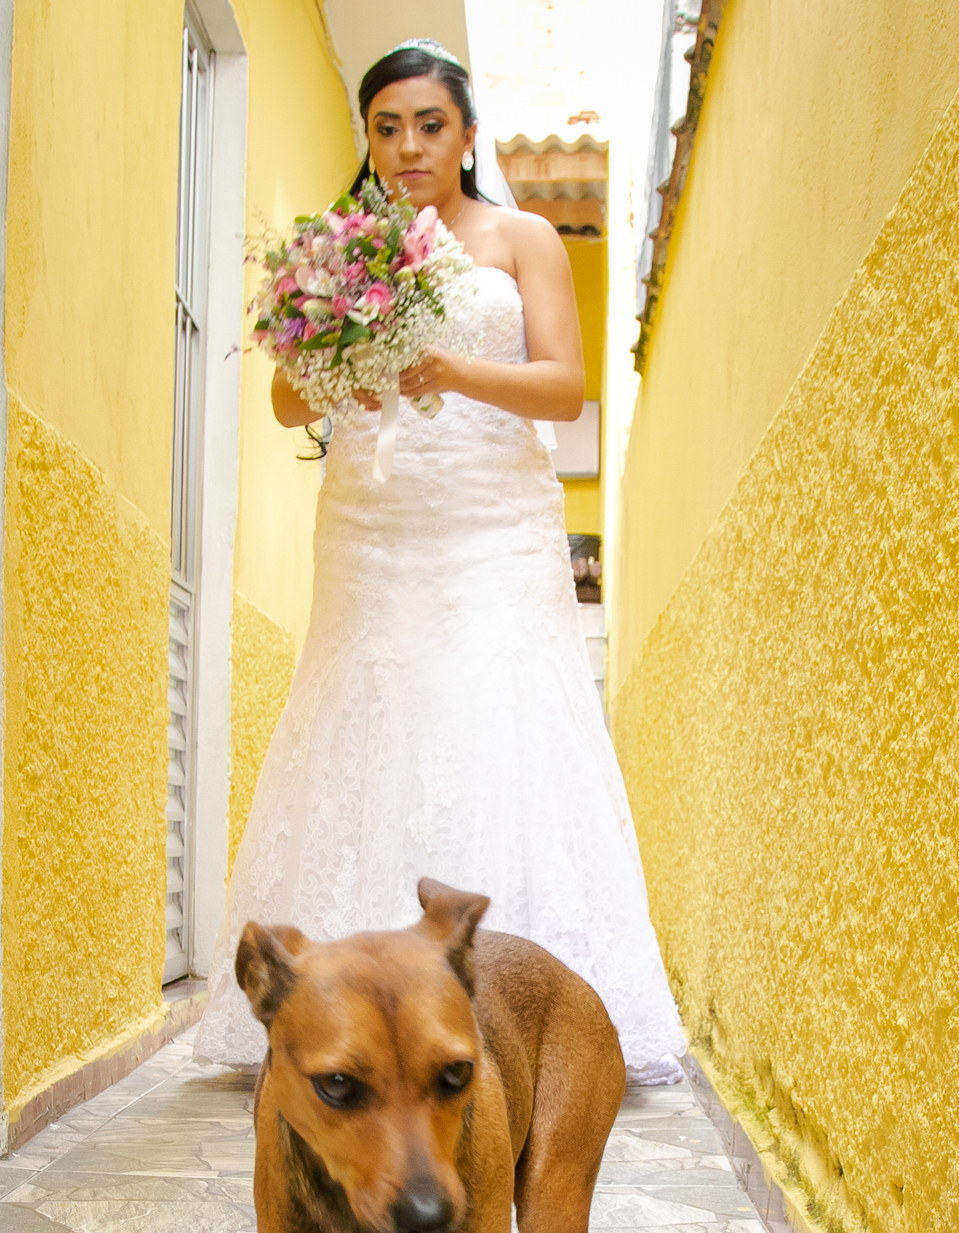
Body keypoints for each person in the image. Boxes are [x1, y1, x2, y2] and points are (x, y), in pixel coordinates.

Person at [195, 38, 684, 1079]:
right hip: (374, 522)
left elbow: (563, 388)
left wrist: (452, 368)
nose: (408, 144)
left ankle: (522, 1008)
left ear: (466, 135)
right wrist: (352, 367)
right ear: (367, 142)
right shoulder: (344, 249)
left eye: (429, 123)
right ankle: (348, 1012)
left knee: (499, 717)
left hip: (490, 522)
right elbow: (287, 397)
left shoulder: (521, 238)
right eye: (387, 126)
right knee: (361, 719)